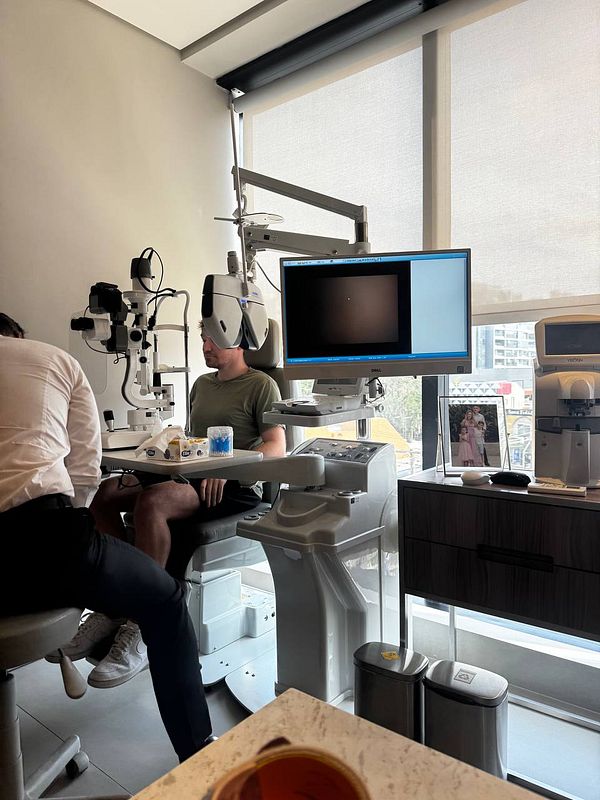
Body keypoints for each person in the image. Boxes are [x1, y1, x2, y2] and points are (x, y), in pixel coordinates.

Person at [0, 314, 213, 762]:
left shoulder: (255, 385)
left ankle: (116, 612)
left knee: (143, 502)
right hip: (45, 541)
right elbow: (84, 469)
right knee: (167, 599)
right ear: (19, 338)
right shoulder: (53, 360)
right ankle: (199, 759)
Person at [59, 326, 286, 688]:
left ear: (238, 341)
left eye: (211, 339)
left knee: (152, 504)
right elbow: (194, 440)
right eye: (203, 338)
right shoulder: (201, 384)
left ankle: (142, 621)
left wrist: (231, 468)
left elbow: (277, 445)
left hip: (233, 486)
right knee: (103, 496)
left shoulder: (262, 385)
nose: (204, 345)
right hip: (193, 477)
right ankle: (115, 603)